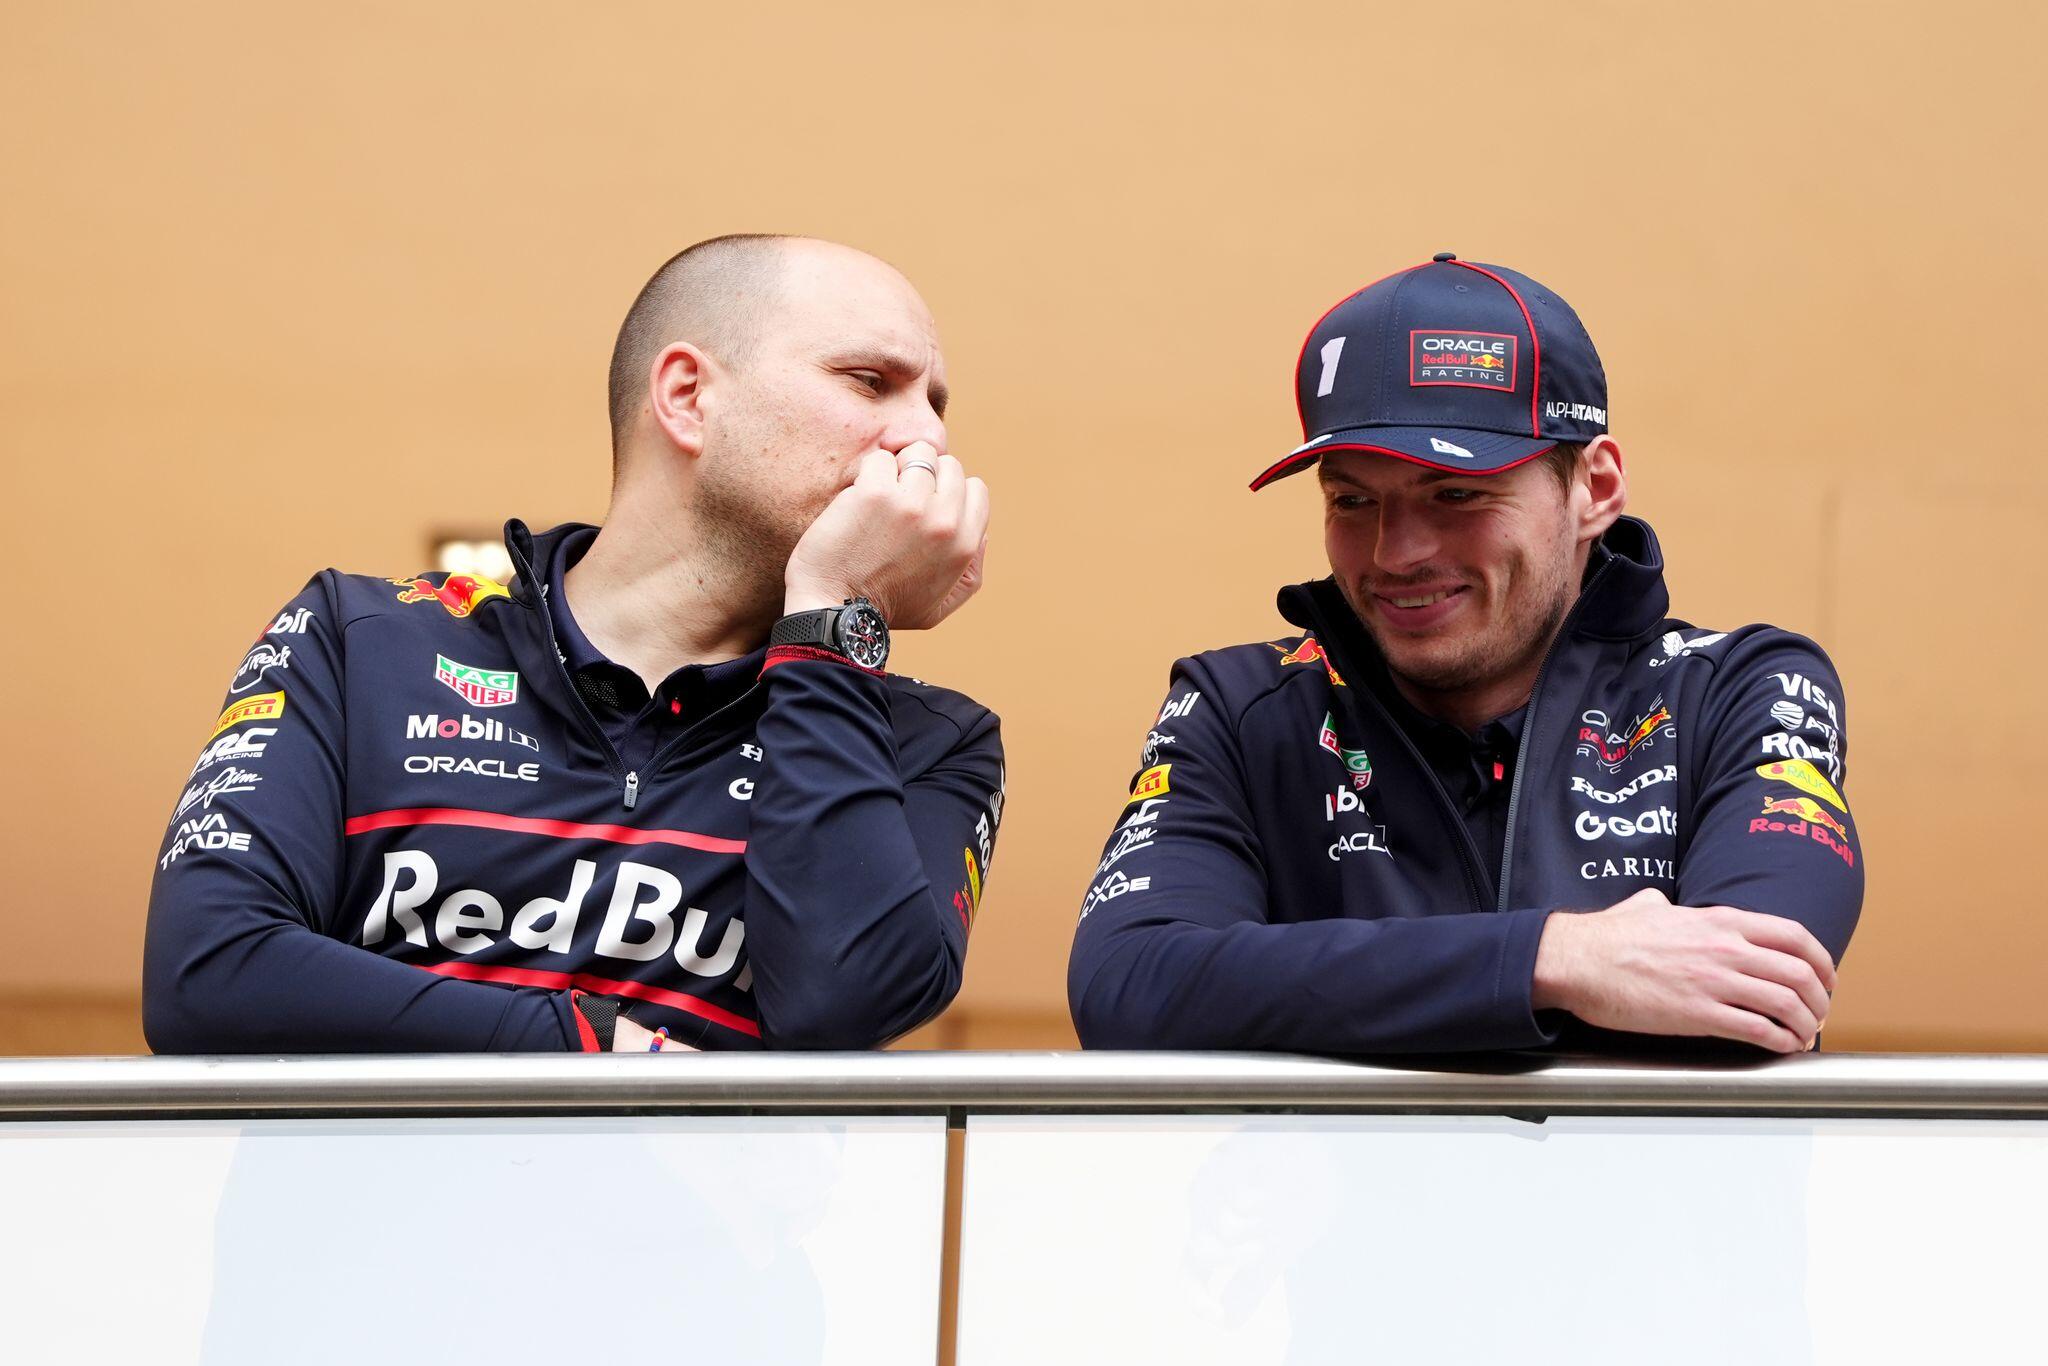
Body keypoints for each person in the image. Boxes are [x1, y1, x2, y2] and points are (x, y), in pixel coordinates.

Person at [145, 234, 1003, 1053]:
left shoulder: (931, 742)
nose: (928, 439)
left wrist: (834, 617)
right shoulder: (359, 640)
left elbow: (839, 1012)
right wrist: (595, 1051)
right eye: (870, 382)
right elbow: (210, 972)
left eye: (935, 404)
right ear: (688, 396)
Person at [1068, 253, 1859, 1055]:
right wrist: (1555, 959)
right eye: (1352, 499)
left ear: (1594, 488)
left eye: (1456, 492)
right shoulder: (1239, 708)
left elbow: (1750, 995)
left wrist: (1316, 992)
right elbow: (1129, 985)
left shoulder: (1741, 690)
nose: (1395, 552)